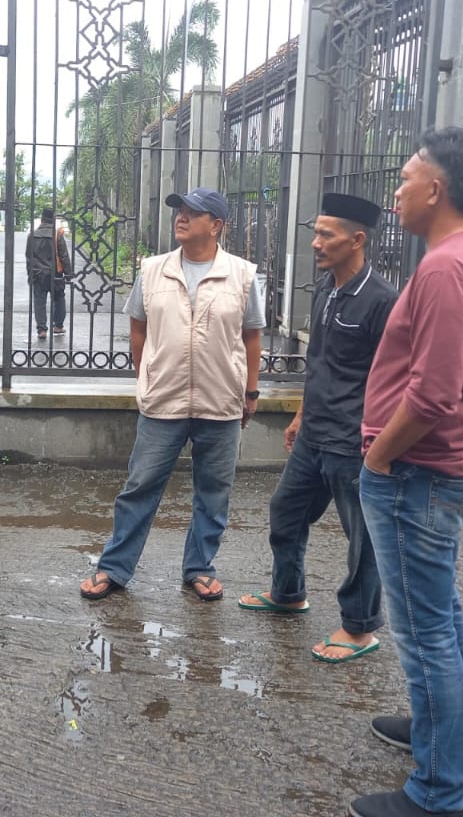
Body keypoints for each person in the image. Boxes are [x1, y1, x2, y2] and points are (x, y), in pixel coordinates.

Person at [349, 128, 463, 817]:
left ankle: (439, 793)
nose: (398, 191)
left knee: (424, 631)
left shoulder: (448, 269)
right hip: (441, 471)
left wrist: (379, 456)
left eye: (407, 178)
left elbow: (433, 395)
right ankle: (435, 730)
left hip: (417, 475)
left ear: (436, 190)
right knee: (438, 614)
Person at [79, 187, 265, 603]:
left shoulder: (241, 274)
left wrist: (251, 391)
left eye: (193, 212)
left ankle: (199, 568)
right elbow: (138, 330)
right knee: (139, 487)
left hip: (221, 402)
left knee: (213, 493)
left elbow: (252, 336)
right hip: (163, 401)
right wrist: (146, 377)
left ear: (216, 226)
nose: (181, 217)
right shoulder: (153, 270)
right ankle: (114, 567)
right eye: (179, 210)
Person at [236, 193, 396, 665]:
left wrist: (380, 445)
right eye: (316, 232)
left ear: (357, 239)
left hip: (354, 441)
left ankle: (359, 627)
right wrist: (302, 415)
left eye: (327, 234)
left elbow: (394, 379)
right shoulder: (327, 289)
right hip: (315, 434)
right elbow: (320, 362)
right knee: (286, 511)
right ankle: (288, 593)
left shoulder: (382, 301)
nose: (315, 242)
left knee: (362, 537)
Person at [25, 207, 71, 340]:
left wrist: (30, 273)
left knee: (39, 301)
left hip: (38, 273)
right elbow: (63, 256)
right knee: (59, 298)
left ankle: (41, 329)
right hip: (55, 273)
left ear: (42, 219)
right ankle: (58, 326)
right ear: (53, 219)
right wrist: (68, 274)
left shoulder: (32, 235)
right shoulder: (57, 235)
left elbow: (29, 256)